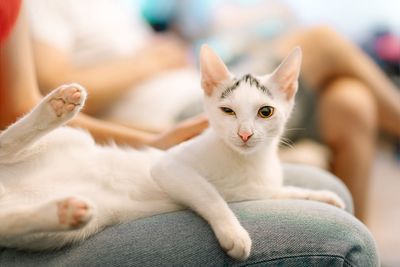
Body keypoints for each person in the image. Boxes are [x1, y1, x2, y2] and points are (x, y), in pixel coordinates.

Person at [0, 1, 208, 150]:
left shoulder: (114, 7)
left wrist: (154, 138)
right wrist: (150, 63)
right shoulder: (39, 6)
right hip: (175, 110)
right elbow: (51, 96)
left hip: (193, 98)